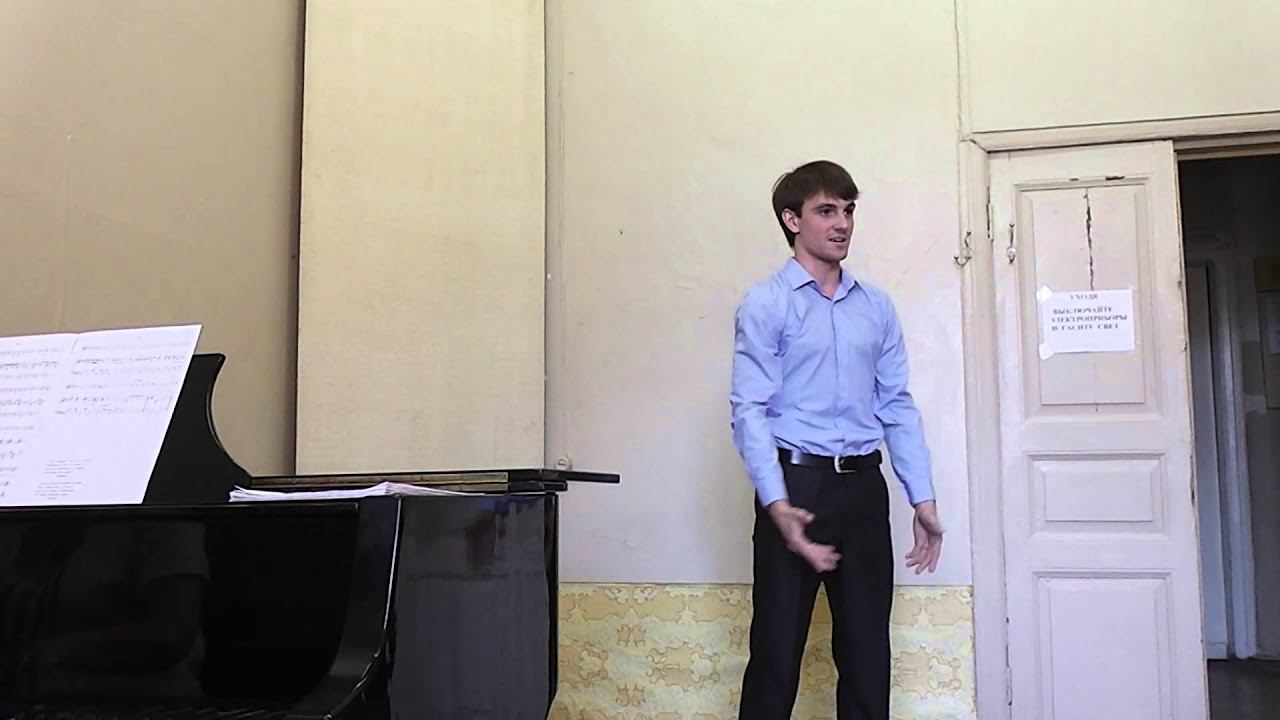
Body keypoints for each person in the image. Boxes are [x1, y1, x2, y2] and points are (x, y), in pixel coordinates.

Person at [730, 160, 944, 720]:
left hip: (863, 490)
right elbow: (749, 410)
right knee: (776, 656)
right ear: (792, 220)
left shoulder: (876, 307)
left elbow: (896, 405)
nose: (843, 223)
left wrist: (921, 498)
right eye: (826, 211)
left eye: (848, 210)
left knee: (868, 656)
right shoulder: (767, 303)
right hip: (795, 487)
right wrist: (776, 504)